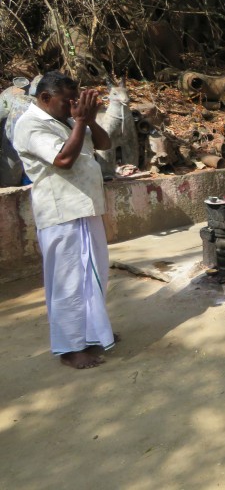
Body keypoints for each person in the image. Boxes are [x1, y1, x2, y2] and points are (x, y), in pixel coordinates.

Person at [13, 71, 116, 369]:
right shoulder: (31, 125)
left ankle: (93, 333)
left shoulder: (67, 120)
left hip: (84, 208)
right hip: (61, 214)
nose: (74, 106)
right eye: (68, 100)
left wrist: (89, 120)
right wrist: (80, 121)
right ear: (45, 98)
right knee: (68, 282)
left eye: (76, 100)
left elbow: (104, 144)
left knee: (93, 277)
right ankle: (70, 349)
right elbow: (63, 160)